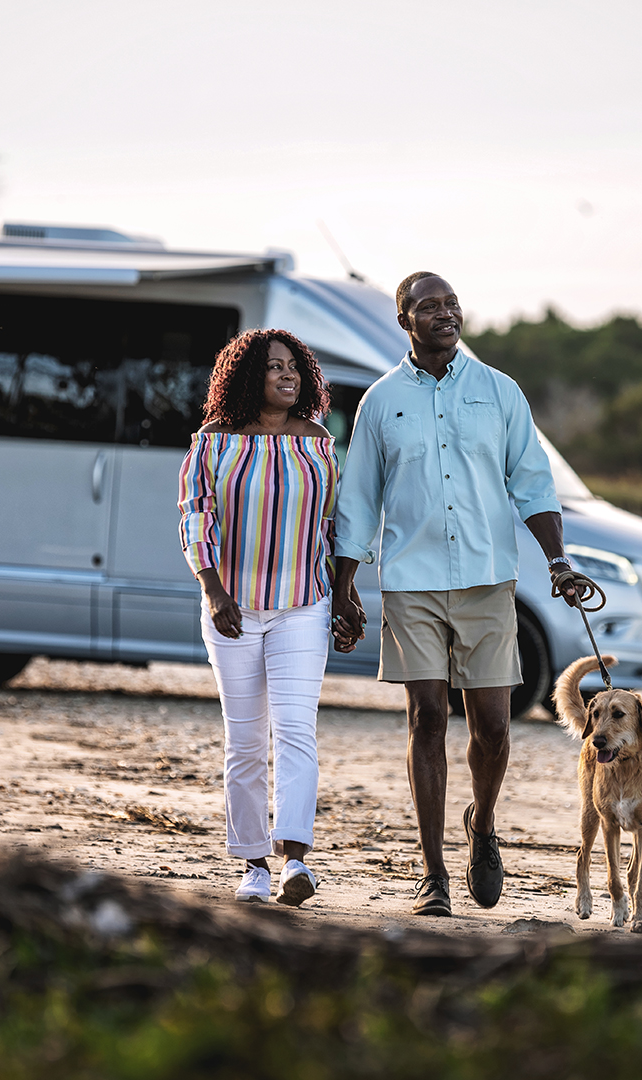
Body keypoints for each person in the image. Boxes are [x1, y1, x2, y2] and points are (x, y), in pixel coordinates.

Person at [331, 271, 595, 916]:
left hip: (486, 580)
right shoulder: (381, 401)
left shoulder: (500, 391)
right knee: (425, 718)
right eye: (429, 307)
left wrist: (557, 560)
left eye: (451, 304)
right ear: (405, 321)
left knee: (495, 730)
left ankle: (482, 825)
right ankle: (433, 874)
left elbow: (532, 483)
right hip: (412, 583)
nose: (445, 314)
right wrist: (344, 588)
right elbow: (360, 499)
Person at [178, 328, 354, 906]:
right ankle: (251, 864)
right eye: (274, 367)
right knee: (246, 741)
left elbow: (334, 525)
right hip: (233, 610)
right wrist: (213, 589)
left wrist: (347, 592)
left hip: (303, 606)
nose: (287, 376)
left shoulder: (319, 444)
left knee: (297, 731)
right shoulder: (213, 443)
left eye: (294, 368)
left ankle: (294, 861)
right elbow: (195, 517)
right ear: (248, 376)